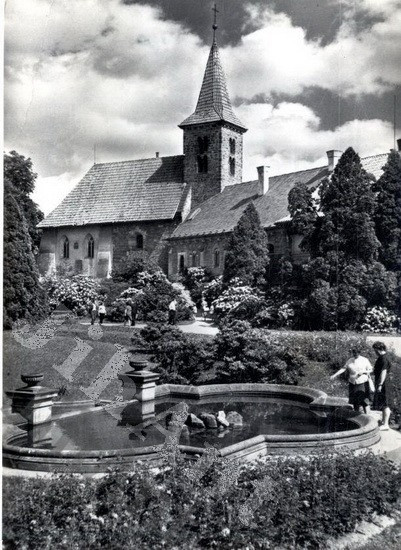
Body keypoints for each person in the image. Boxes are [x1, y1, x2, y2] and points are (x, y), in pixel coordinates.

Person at [330, 347, 373, 413]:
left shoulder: (364, 360)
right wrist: (335, 375)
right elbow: (344, 368)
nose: (355, 355)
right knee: (355, 401)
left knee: (364, 401)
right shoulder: (350, 360)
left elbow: (371, 370)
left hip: (362, 382)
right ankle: (356, 415)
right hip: (352, 382)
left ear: (359, 353)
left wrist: (363, 372)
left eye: (356, 353)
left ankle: (367, 416)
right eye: (354, 353)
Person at [372, 341, 393, 430]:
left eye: (375, 350)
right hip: (383, 382)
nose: (375, 352)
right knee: (383, 403)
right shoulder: (382, 357)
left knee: (386, 403)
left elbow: (383, 372)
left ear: (378, 349)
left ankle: (386, 424)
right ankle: (384, 422)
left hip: (384, 383)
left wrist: (380, 384)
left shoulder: (384, 358)